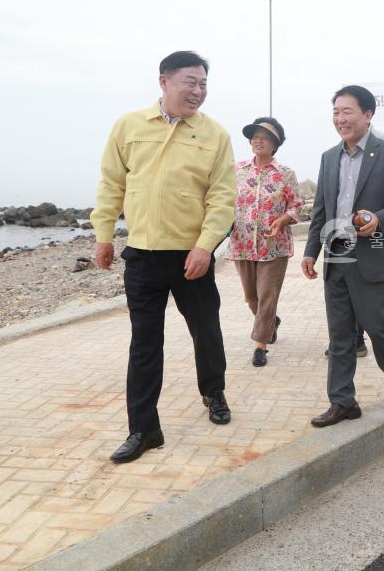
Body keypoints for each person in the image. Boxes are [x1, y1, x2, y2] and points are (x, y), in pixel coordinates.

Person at [91, 51, 236, 464]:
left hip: (193, 256)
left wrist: (205, 246)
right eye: (190, 81)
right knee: (144, 343)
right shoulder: (129, 126)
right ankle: (144, 428)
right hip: (143, 256)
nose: (198, 90)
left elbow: (222, 198)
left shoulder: (215, 135)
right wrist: (103, 235)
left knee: (206, 329)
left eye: (204, 83)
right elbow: (111, 184)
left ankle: (214, 391)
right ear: (164, 82)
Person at [302, 85, 384, 427]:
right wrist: (310, 252)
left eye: (347, 111)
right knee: (339, 335)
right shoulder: (328, 157)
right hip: (337, 258)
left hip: (371, 258)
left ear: (368, 115)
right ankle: (343, 401)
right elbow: (321, 210)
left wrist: (379, 218)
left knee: (378, 329)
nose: (340, 119)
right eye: (336, 112)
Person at [228, 117, 303, 367]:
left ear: (275, 143)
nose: (258, 140)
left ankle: (260, 345)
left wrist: (282, 219)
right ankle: (272, 322)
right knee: (252, 297)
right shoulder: (237, 171)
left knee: (267, 296)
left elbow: (297, 206)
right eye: (254, 136)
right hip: (243, 244)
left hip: (275, 246)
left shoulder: (285, 174)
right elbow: (223, 200)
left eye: (265, 136)